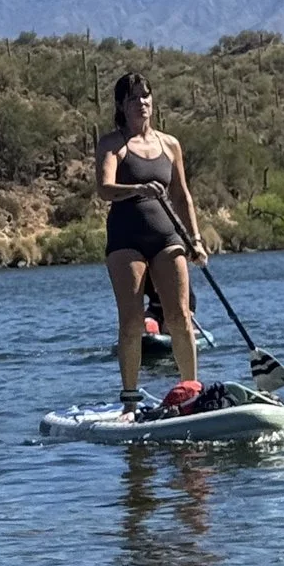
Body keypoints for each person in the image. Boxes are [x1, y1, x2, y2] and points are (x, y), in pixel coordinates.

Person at [97, 72, 209, 409]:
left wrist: (196, 239)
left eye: (146, 97)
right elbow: (104, 189)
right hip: (126, 239)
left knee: (180, 317)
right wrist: (137, 189)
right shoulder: (111, 144)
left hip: (167, 236)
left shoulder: (170, 144)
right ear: (121, 105)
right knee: (131, 320)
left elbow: (182, 195)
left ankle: (190, 392)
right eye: (134, 98)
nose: (142, 103)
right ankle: (130, 400)